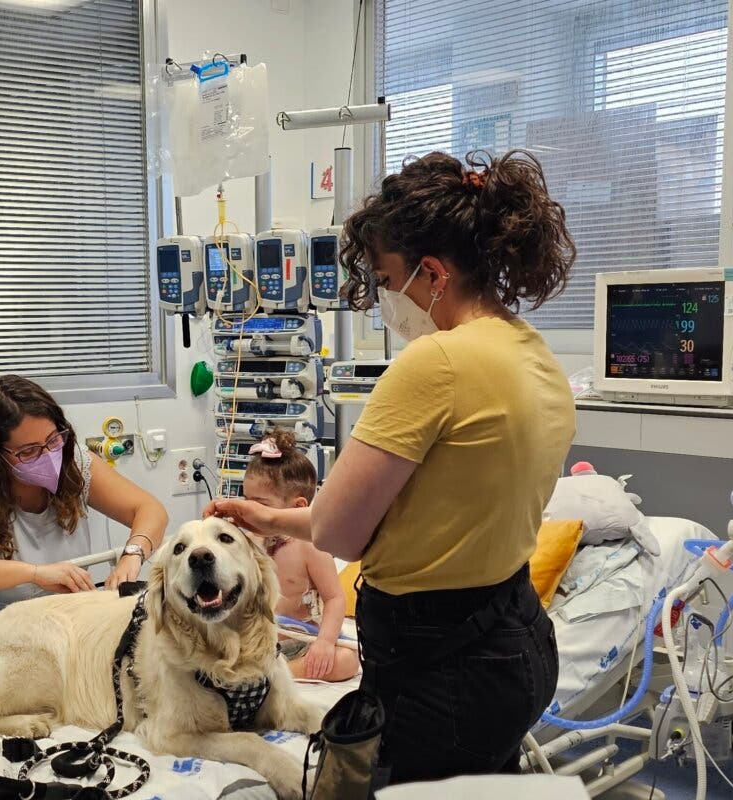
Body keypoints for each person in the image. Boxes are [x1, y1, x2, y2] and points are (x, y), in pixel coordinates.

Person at [206, 150, 576, 784]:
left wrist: (284, 520)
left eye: (383, 278)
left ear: (432, 273)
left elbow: (341, 533)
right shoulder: (533, 353)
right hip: (515, 639)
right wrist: (268, 515)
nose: (380, 297)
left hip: (442, 663)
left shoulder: (437, 363)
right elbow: (445, 508)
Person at [0, 374, 169, 682]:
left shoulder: (75, 466)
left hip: (49, 640)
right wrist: (35, 573)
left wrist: (132, 555)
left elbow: (150, 510)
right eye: (28, 451)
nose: (47, 456)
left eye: (53, 440)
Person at [241, 431, 360, 683]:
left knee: (347, 661)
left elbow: (335, 598)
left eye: (259, 504)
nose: (248, 510)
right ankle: (259, 676)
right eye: (245, 500)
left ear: (297, 508)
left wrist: (325, 643)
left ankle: (273, 678)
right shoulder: (246, 541)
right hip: (256, 643)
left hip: (300, 644)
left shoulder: (310, 547)